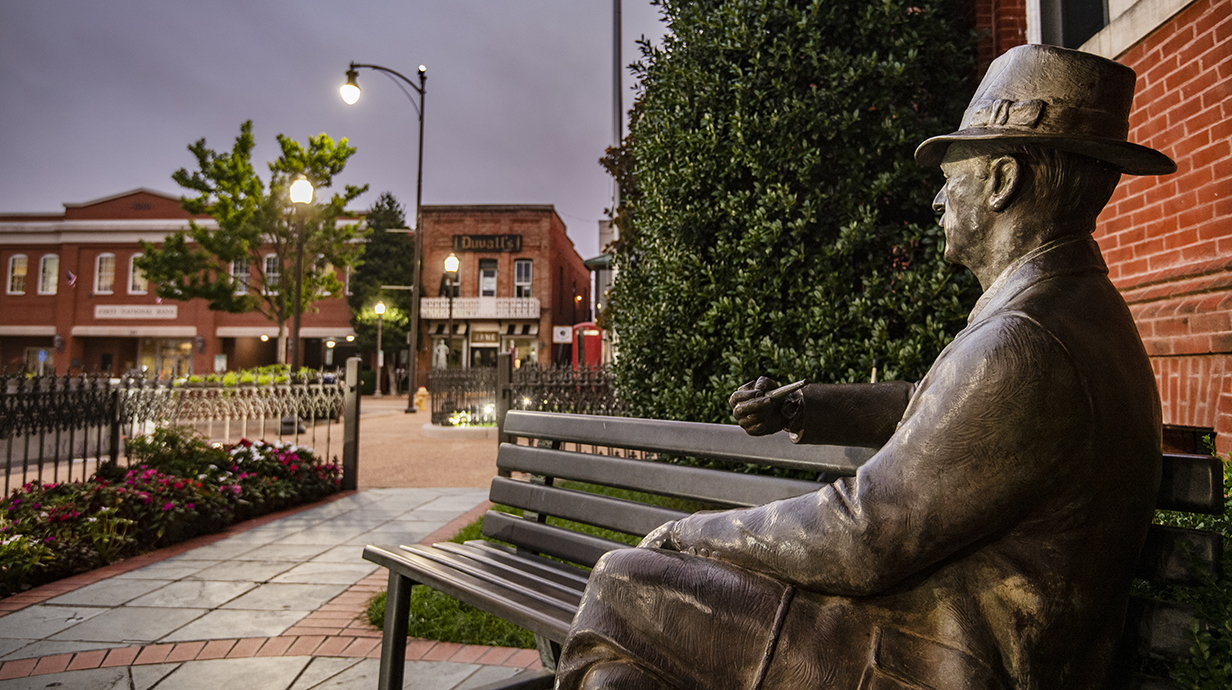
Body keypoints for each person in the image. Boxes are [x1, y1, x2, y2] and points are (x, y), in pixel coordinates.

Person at [555, 44, 1176, 690]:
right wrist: (805, 405)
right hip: (951, 642)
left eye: (950, 173)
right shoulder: (1069, 308)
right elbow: (936, 406)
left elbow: (862, 533)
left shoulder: (1026, 342)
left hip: (939, 665)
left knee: (625, 585)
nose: (938, 199)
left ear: (1001, 181)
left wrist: (691, 535)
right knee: (619, 676)